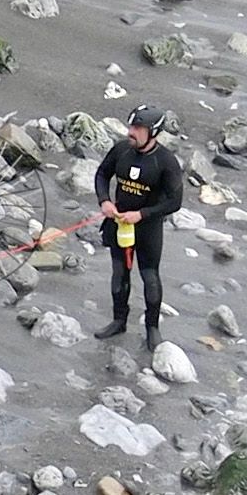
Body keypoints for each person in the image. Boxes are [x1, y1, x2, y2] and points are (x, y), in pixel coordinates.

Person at [93, 105, 184, 350]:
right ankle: (118, 321)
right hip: (119, 224)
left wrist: (142, 214)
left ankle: (152, 328)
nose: (130, 132)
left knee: (149, 277)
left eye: (137, 128)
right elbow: (102, 174)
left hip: (147, 230)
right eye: (131, 126)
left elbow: (175, 201)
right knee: (119, 273)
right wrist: (105, 201)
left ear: (152, 132)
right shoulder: (122, 150)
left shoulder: (165, 161)